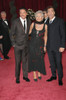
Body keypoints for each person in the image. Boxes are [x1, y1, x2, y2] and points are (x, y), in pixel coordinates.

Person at [10, 7, 31, 83]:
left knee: (25, 62)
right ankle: (17, 77)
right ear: (19, 14)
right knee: (18, 62)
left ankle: (25, 76)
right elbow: (11, 33)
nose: (22, 14)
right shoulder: (15, 22)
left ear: (26, 13)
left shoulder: (29, 21)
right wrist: (13, 44)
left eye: (24, 12)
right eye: (21, 12)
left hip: (26, 45)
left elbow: (28, 33)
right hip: (17, 46)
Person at [46, 6, 65, 86]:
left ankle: (60, 78)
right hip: (49, 47)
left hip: (58, 47)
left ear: (54, 12)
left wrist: (62, 45)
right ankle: (53, 76)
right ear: (47, 13)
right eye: (48, 11)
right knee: (52, 62)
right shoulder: (46, 22)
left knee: (58, 62)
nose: (50, 13)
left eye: (51, 11)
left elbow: (63, 34)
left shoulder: (60, 21)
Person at [28, 10, 47, 81]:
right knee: (33, 59)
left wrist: (45, 46)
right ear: (35, 17)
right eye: (37, 16)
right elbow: (28, 33)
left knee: (39, 59)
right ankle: (34, 74)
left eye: (40, 16)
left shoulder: (45, 26)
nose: (39, 17)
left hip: (40, 45)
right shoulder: (32, 24)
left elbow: (45, 36)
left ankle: (39, 72)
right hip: (32, 45)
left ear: (43, 17)